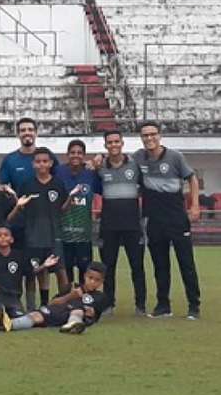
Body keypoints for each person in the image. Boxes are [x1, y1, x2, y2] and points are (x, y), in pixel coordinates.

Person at [133, 123, 201, 319]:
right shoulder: (138, 157)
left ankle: (194, 306)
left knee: (186, 263)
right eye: (145, 135)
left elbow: (192, 179)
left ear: (159, 136)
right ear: (141, 137)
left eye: (153, 134)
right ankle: (163, 305)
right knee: (160, 265)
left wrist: (194, 205)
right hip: (153, 219)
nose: (149, 138)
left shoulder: (175, 157)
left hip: (177, 218)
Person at [7, 147, 78, 310]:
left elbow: (63, 208)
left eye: (45, 161)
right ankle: (35, 306)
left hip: (54, 235)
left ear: (51, 163)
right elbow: (20, 207)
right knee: (35, 271)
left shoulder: (58, 183)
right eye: (38, 162)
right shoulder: (27, 185)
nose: (41, 165)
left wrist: (71, 197)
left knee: (60, 270)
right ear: (33, 164)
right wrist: (14, 199)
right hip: (33, 235)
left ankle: (64, 304)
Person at [96, 130, 146, 315]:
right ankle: (109, 304)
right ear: (105, 145)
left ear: (122, 143)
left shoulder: (135, 165)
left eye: (117, 141)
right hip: (109, 225)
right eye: (110, 142)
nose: (113, 145)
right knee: (108, 267)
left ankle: (140, 305)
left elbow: (145, 188)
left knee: (137, 266)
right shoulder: (100, 166)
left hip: (133, 224)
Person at [0, 118, 58, 249]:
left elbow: (59, 179)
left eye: (30, 129)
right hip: (20, 220)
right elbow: (2, 185)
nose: (27, 133)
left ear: (36, 133)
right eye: (23, 130)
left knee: (46, 262)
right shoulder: (10, 160)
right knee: (22, 261)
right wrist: (6, 190)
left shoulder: (47, 156)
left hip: (44, 219)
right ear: (17, 134)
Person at [1, 262, 109, 335]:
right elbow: (53, 303)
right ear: (85, 276)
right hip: (58, 311)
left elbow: (93, 315)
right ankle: (9, 324)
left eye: (97, 280)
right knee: (36, 315)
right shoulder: (72, 287)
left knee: (78, 311)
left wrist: (90, 313)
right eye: (90, 278)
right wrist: (70, 296)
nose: (92, 282)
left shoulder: (100, 296)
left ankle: (73, 325)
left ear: (102, 282)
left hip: (74, 314)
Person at [55, 140, 100, 284]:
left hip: (84, 235)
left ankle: (82, 302)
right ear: (67, 155)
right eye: (73, 153)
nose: (76, 156)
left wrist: (101, 158)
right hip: (64, 233)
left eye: (79, 153)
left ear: (84, 155)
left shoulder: (91, 173)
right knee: (65, 272)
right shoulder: (59, 172)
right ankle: (67, 302)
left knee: (84, 271)